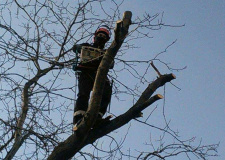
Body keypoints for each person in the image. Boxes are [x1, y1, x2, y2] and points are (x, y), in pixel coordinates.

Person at [72, 25, 113, 131]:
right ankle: (79, 117)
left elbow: (111, 64)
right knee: (83, 94)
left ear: (106, 40)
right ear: (95, 36)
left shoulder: (107, 53)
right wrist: (81, 49)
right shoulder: (86, 46)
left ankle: (97, 116)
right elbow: (75, 48)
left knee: (106, 93)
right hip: (86, 71)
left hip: (100, 74)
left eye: (104, 36)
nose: (101, 37)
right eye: (100, 35)